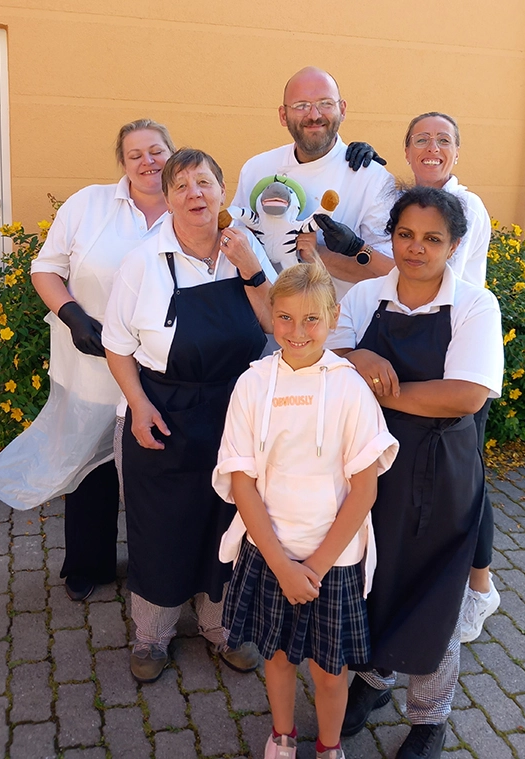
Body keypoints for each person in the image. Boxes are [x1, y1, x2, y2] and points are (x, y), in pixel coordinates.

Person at [326, 187, 503, 759]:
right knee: (374, 580)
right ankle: (375, 680)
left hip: (440, 474)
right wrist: (358, 359)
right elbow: (326, 360)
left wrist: (379, 391)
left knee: (435, 593)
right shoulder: (364, 295)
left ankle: (430, 718)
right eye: (405, 235)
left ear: (454, 245)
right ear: (391, 237)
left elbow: (467, 394)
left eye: (432, 239)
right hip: (369, 470)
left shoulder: (475, 304)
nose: (416, 249)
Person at [0, 119, 175, 602]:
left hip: (166, 369)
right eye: (135, 155)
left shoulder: (193, 205)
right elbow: (45, 267)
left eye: (157, 151)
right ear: (122, 164)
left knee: (163, 471)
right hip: (93, 361)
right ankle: (89, 564)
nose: (148, 162)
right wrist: (71, 315)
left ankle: (166, 570)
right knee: (91, 468)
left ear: (174, 153)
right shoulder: (89, 204)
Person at [102, 148, 277, 684]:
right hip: (166, 412)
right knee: (162, 526)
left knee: (228, 520)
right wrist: (138, 405)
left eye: (204, 183)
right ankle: (152, 636)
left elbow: (276, 321)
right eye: (182, 186)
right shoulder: (142, 261)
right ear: (168, 196)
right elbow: (116, 345)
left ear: (222, 192)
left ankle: (220, 627)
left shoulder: (246, 252)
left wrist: (250, 266)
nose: (194, 195)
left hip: (235, 411)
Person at [213, 259, 398, 759]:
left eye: (312, 319)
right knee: (275, 657)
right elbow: (242, 482)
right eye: (286, 318)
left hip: (331, 562)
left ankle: (329, 745)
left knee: (330, 669)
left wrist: (311, 569)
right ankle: (282, 735)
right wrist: (280, 562)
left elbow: (365, 490)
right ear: (271, 317)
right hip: (269, 552)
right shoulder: (251, 385)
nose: (298, 331)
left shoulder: (350, 389)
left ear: (333, 317)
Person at [402, 112, 498, 641]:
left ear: (457, 153)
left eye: (443, 141)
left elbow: (429, 276)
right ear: (408, 150)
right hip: (416, 353)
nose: (431, 148)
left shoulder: (465, 206)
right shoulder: (405, 197)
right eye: (421, 140)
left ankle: (479, 590)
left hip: (456, 356)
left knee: (466, 484)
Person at [231, 66, 397, 300]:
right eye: (301, 106)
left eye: (325, 103)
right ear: (283, 115)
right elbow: (238, 249)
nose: (314, 115)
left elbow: (390, 274)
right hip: (270, 324)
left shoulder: (372, 179)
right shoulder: (257, 169)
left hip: (345, 327)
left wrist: (321, 254)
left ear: (342, 109)